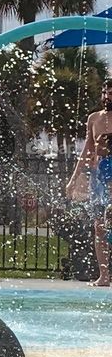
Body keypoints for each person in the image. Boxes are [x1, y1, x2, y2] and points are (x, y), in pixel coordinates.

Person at [66, 79, 112, 286]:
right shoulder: (94, 118)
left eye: (110, 93)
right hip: (99, 176)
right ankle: (104, 276)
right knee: (99, 226)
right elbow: (87, 151)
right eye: (104, 92)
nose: (107, 97)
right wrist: (73, 180)